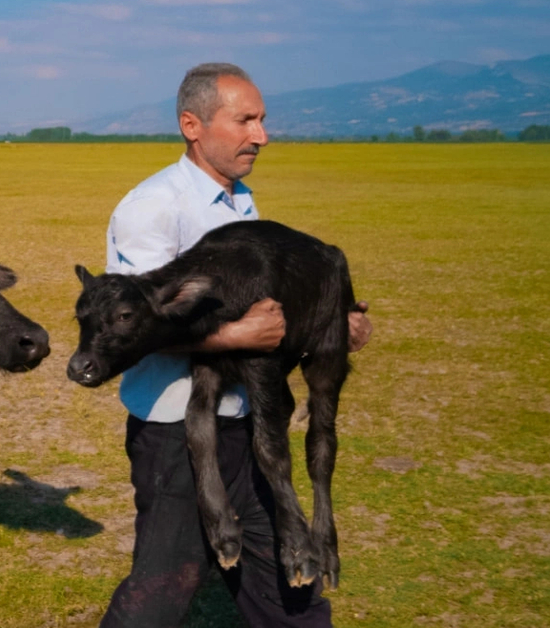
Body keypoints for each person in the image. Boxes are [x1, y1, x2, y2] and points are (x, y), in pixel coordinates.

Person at [98, 62, 372, 628]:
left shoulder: (240, 202)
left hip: (249, 425)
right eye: (245, 120)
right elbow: (132, 328)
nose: (261, 136)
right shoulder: (154, 207)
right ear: (192, 125)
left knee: (290, 590)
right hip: (176, 436)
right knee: (160, 594)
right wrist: (237, 336)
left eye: (262, 120)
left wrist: (330, 325)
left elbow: (266, 312)